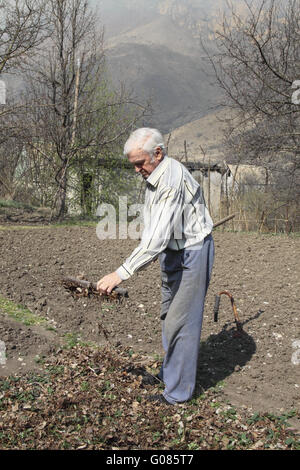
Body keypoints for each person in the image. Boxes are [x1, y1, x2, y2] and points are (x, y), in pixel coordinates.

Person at [97, 127, 214, 405]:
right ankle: (168, 374)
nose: (137, 169)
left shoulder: (170, 180)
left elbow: (157, 237)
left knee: (182, 324)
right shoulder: (155, 175)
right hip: (172, 253)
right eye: (134, 164)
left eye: (140, 163)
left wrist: (121, 272)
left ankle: (177, 395)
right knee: (168, 317)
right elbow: (156, 229)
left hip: (191, 254)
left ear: (158, 153)